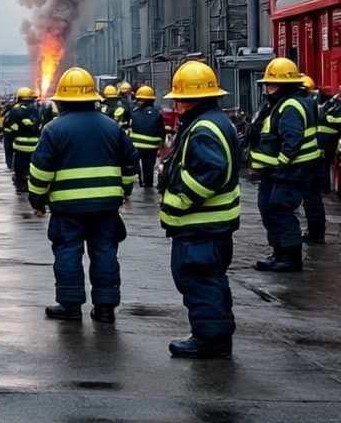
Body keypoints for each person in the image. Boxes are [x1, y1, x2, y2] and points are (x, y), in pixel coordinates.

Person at [28, 67, 138, 323]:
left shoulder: (54, 130)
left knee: (68, 252)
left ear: (62, 101)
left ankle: (69, 306)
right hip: (106, 207)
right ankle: (105, 308)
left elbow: (41, 170)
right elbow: (131, 162)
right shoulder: (112, 127)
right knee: (105, 252)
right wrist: (125, 191)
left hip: (68, 209)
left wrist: (38, 199)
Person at [159, 61, 240, 359]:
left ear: (186, 99)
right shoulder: (215, 121)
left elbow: (212, 170)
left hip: (200, 226)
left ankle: (209, 341)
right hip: (211, 226)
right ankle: (213, 335)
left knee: (199, 279)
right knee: (209, 280)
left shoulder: (203, 128)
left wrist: (182, 199)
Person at [250, 57, 321, 273]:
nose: (267, 89)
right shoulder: (287, 103)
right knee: (269, 208)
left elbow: (292, 139)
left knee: (281, 210)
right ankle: (279, 252)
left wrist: (280, 163)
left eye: (270, 84)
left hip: (290, 170)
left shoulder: (289, 106)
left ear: (282, 85)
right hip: (280, 171)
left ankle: (289, 258)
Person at [300, 75, 327, 244]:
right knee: (314, 198)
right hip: (317, 156)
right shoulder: (315, 104)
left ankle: (315, 235)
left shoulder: (305, 105)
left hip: (310, 158)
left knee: (311, 200)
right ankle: (317, 233)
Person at [4, 88, 41, 194]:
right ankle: (34, 186)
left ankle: (21, 185)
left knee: (20, 168)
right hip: (36, 146)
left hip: (20, 147)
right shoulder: (39, 108)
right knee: (35, 168)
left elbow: (11, 128)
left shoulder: (15, 110)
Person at [129, 86, 166, 189]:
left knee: (136, 166)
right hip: (151, 148)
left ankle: (140, 182)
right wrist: (161, 145)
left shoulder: (134, 112)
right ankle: (148, 185)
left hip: (136, 147)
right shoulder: (157, 113)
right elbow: (161, 131)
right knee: (149, 167)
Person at [1, 93, 17, 173]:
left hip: (8, 134)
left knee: (9, 150)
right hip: (13, 134)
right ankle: (12, 165)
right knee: (12, 151)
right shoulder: (16, 111)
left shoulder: (8, 112)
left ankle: (10, 165)